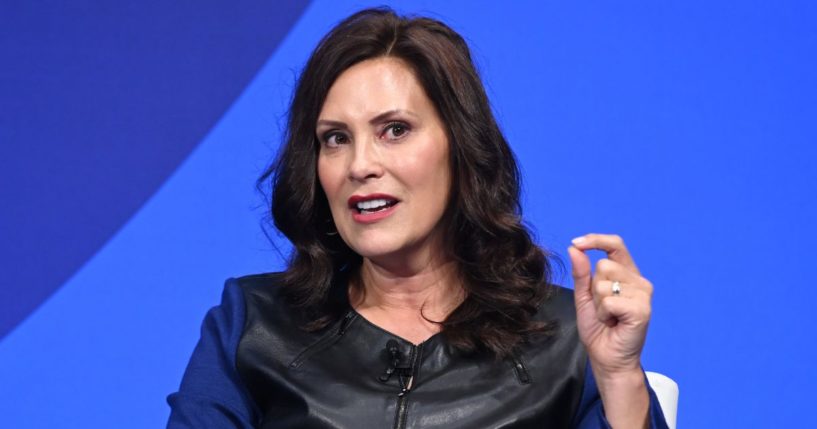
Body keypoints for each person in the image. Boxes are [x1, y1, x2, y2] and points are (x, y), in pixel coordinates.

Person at [167, 7, 668, 429]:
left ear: (460, 147)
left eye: (395, 130)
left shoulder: (568, 338)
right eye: (335, 138)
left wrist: (621, 377)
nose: (361, 165)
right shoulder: (254, 323)